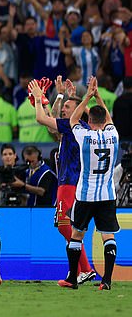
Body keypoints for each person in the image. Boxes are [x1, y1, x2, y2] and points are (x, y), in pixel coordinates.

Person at [31, 77, 96, 284]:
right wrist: (60, 95)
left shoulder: (72, 126)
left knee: (65, 226)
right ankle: (77, 272)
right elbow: (53, 125)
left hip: (69, 182)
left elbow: (43, 120)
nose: (64, 110)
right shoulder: (75, 127)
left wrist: (39, 98)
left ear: (78, 110)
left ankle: (85, 269)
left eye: (68, 106)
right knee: (66, 226)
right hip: (72, 182)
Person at [58, 77, 119, 291]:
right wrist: (98, 95)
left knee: (76, 235)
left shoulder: (84, 136)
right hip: (108, 195)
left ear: (90, 121)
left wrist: (86, 97)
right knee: (107, 236)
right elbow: (108, 118)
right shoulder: (114, 135)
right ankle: (107, 281)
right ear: (105, 122)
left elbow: (74, 119)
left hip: (85, 194)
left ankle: (73, 279)